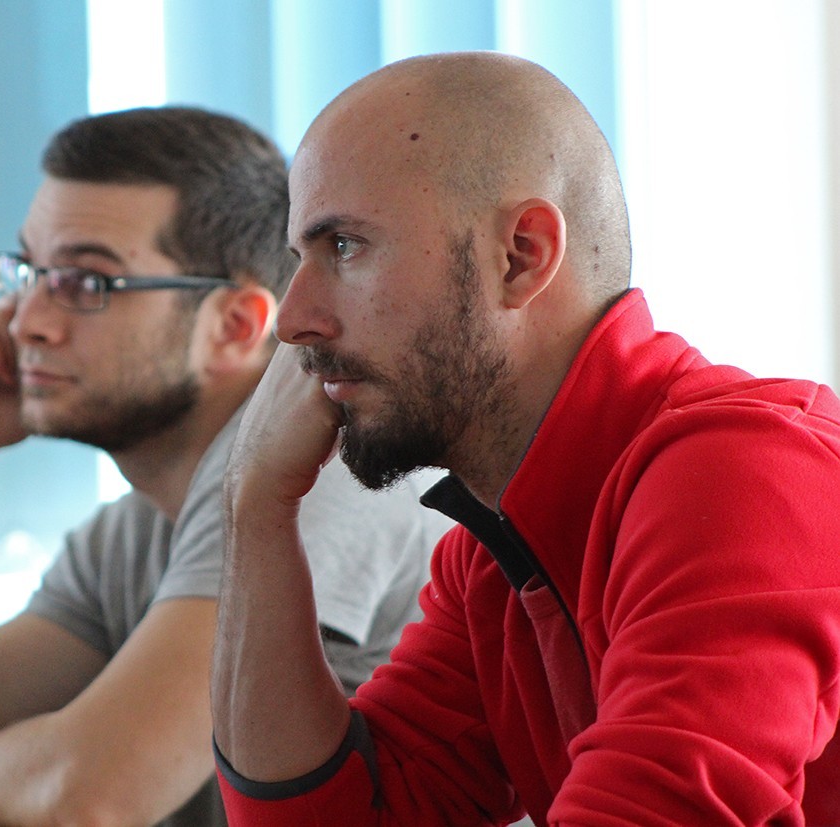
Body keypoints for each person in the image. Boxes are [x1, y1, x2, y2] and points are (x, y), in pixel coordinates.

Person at [211, 52, 840, 826]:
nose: (292, 320)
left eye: (344, 245)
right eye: (299, 258)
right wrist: (255, 504)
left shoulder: (749, 473)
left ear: (521, 257)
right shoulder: (490, 557)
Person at [0, 106, 449, 827]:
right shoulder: (128, 534)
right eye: (28, 273)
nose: (25, 322)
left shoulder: (318, 481)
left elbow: (92, 794)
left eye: (86, 283)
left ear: (234, 326)